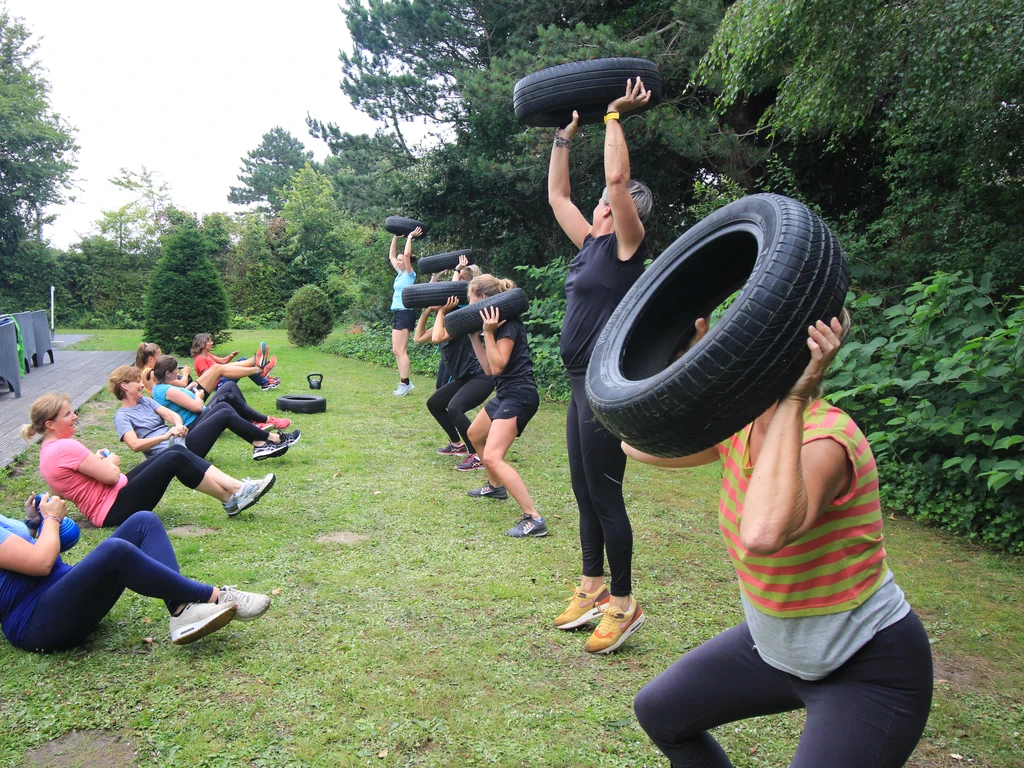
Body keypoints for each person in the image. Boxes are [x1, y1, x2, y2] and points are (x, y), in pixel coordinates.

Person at [627, 315, 933, 767]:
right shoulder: (740, 426)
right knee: (661, 712)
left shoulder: (826, 437)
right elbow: (638, 445)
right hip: (777, 651)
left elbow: (763, 533)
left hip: (867, 666)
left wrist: (793, 398)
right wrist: (663, 356)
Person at [547, 77, 654, 653]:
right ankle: (591, 588)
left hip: (603, 386)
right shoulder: (591, 242)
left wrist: (613, 115)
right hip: (574, 383)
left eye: (610, 203)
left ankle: (623, 601)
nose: (599, 203)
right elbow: (557, 199)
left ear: (625, 208)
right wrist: (563, 140)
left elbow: (616, 178)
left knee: (606, 493)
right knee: (583, 490)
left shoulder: (625, 246)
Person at [0, 497, 270, 650]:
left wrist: (33, 525)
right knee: (115, 551)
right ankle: (217, 596)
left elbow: (54, 545)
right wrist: (50, 520)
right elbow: (40, 563)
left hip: (60, 594)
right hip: (36, 621)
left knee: (143, 521)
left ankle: (182, 610)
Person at [22, 393, 276, 527]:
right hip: (112, 509)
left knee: (172, 452)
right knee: (174, 456)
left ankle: (232, 496)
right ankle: (236, 491)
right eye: (68, 414)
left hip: (109, 502)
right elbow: (110, 476)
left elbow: (62, 490)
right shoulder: (65, 446)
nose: (75, 416)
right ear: (50, 424)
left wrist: (95, 464)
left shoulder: (46, 452)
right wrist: (110, 463)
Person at [453, 275, 546, 538]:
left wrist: (490, 333)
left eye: (471, 300)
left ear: (483, 299)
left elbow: (498, 365)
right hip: (505, 392)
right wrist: (475, 337)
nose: (468, 305)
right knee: (474, 434)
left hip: (520, 395)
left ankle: (534, 518)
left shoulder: (507, 325)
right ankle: (495, 486)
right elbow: (488, 370)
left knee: (493, 456)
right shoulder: (492, 328)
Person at [109, 365, 298, 461]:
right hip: (175, 453)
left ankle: (260, 442)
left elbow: (170, 415)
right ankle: (270, 439)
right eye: (137, 382)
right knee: (223, 411)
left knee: (224, 407)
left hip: (180, 439)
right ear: (124, 386)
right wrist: (167, 435)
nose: (142, 385)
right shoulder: (122, 416)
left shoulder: (145, 401)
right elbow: (134, 445)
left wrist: (177, 425)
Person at [413, 285, 494, 470]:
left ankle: (477, 455)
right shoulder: (446, 321)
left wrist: (441, 311)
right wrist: (427, 312)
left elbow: (436, 338)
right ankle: (457, 445)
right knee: (435, 404)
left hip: (480, 376)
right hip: (465, 377)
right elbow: (418, 338)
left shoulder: (458, 321)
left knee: (455, 408)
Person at [389, 226, 423, 396]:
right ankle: (404, 382)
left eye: (401, 260)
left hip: (405, 312)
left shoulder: (410, 274)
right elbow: (391, 256)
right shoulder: (400, 274)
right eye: (399, 260)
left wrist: (409, 237)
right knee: (396, 349)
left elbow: (407, 255)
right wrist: (396, 238)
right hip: (398, 312)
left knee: (401, 350)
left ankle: (405, 383)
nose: (399, 261)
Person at [191, 334, 280, 393]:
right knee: (237, 364)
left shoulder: (207, 355)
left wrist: (230, 356)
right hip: (219, 385)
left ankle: (258, 363)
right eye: (209, 341)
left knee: (242, 359)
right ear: (202, 344)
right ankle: (260, 369)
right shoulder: (200, 359)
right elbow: (208, 377)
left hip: (223, 377)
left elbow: (223, 361)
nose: (212, 343)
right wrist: (225, 370)